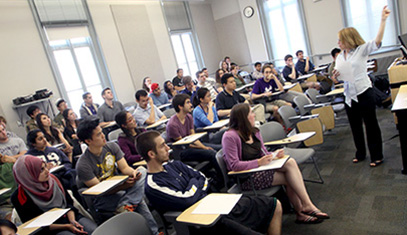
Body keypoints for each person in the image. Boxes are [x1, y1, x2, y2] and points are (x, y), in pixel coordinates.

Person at [137, 130, 283, 235]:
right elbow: (187, 200)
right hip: (202, 223)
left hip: (215, 204)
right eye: (163, 146)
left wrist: (194, 185)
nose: (168, 148)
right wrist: (195, 183)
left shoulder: (174, 164)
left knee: (274, 205)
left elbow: (202, 177)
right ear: (151, 154)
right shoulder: (153, 184)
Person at [223, 103, 329, 224]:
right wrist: (258, 162)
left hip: (261, 169)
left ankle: (305, 206)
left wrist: (273, 155)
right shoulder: (230, 136)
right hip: (247, 177)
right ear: (244, 118)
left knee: (290, 163)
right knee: (290, 177)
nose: (254, 115)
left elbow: (263, 152)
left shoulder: (254, 132)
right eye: (251, 113)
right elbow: (234, 166)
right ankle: (302, 210)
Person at [76, 118, 159, 234]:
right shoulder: (83, 164)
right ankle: (153, 232)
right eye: (99, 135)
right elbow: (100, 190)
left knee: (142, 171)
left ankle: (126, 205)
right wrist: (123, 186)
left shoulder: (111, 147)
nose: (104, 136)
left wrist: (133, 173)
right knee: (139, 201)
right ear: (88, 141)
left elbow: (125, 168)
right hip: (103, 198)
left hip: (120, 187)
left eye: (102, 132)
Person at [332, 6, 390, 167]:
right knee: (355, 127)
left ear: (348, 40)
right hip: (349, 95)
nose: (338, 43)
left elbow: (377, 41)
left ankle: (376, 155)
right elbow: (337, 78)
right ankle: (361, 153)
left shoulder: (362, 50)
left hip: (364, 91)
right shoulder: (340, 56)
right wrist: (335, 77)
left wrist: (383, 20)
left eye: (340, 40)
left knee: (371, 125)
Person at [11, 155, 97, 235]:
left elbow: (68, 204)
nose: (47, 171)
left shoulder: (55, 180)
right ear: (28, 175)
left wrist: (72, 221)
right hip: (51, 229)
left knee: (95, 231)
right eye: (41, 170)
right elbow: (33, 225)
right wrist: (66, 226)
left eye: (45, 167)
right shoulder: (19, 196)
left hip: (70, 217)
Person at [166, 94, 222, 181]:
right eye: (187, 102)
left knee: (221, 148)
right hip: (181, 151)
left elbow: (193, 137)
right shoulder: (172, 124)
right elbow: (183, 145)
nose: (191, 105)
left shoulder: (188, 117)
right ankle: (222, 180)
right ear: (180, 106)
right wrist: (204, 148)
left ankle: (220, 174)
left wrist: (204, 147)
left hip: (192, 145)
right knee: (212, 153)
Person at [0, 124, 27, 220]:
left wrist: (10, 159)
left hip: (17, 196)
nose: (3, 133)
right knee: (10, 218)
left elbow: (24, 155)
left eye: (3, 129)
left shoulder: (9, 165)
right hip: (3, 203)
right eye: (0, 131)